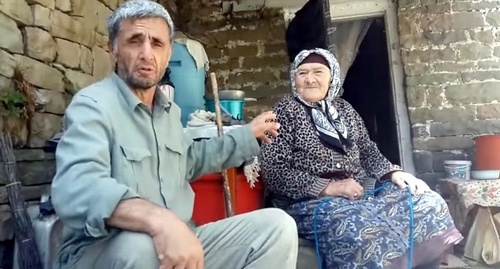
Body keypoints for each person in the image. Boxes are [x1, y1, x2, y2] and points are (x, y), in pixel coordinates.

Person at [50, 1, 298, 269]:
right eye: (135, 41)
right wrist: (159, 221)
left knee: (277, 227)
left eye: (157, 44)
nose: (147, 53)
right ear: (114, 50)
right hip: (104, 249)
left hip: (177, 237)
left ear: (168, 54)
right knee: (142, 246)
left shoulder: (168, 111)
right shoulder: (92, 106)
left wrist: (247, 135)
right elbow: (78, 186)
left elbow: (191, 160)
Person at [260, 48, 463, 269]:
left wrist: (395, 172)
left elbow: (367, 150)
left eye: (318, 71)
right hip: (310, 202)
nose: (310, 79)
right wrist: (328, 188)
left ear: (332, 77)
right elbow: (274, 171)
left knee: (427, 201)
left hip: (360, 193)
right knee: (360, 228)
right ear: (294, 78)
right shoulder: (282, 113)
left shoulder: (344, 110)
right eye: (302, 73)